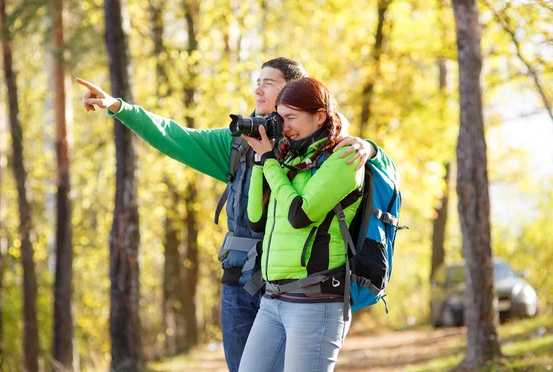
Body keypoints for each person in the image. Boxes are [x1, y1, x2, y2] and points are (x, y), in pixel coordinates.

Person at [76, 57, 396, 371]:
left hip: (306, 288)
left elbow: (357, 173)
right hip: (243, 282)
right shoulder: (241, 144)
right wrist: (119, 107)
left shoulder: (330, 148)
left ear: (294, 91)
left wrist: (370, 148)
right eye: (257, 83)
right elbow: (174, 136)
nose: (258, 91)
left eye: (268, 84)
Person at [239, 77, 368, 372]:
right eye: (280, 118)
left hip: (316, 303)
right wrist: (262, 160)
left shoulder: (344, 158)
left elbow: (300, 215)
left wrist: (269, 161)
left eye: (291, 118)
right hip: (272, 300)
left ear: (319, 116)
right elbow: (255, 220)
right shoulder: (290, 160)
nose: (284, 128)